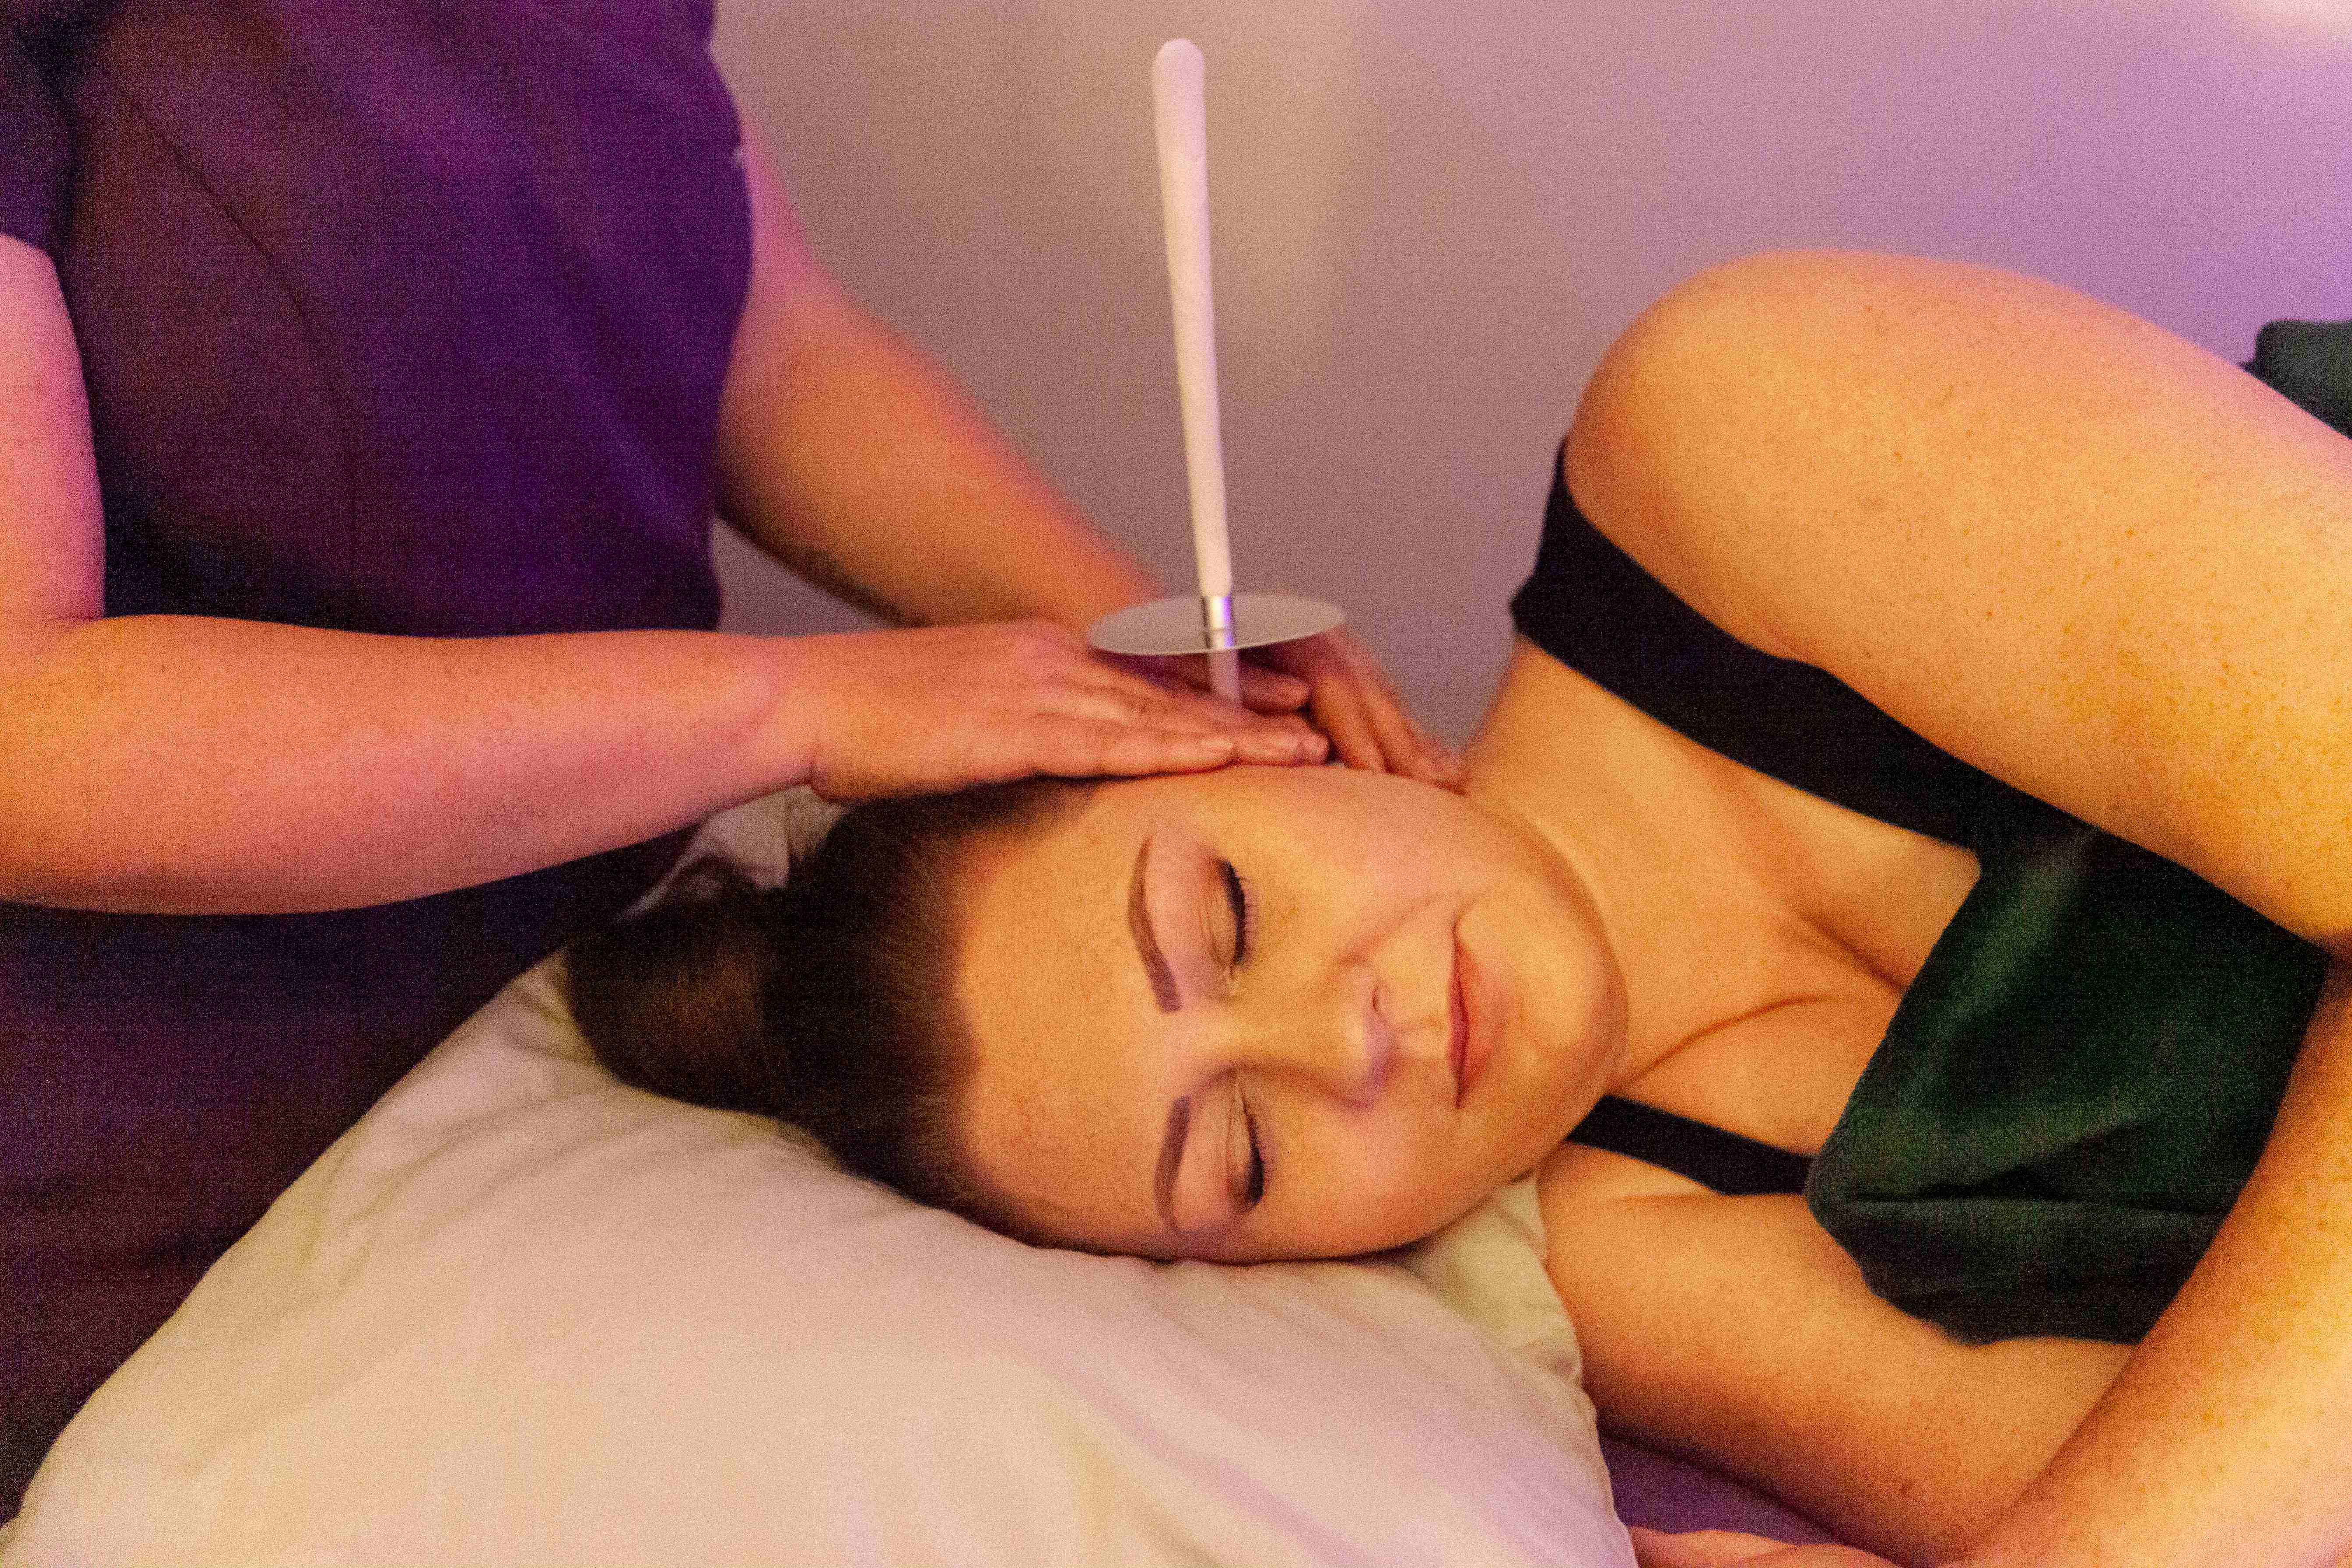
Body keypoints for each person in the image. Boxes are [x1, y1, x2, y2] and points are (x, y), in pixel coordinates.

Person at [570, 251, 2352, 1567]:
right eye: (1243, 1156)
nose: (1345, 1045)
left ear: (1248, 728)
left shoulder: (1714, 441)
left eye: (1230, 917)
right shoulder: (1614, 1262)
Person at [0, 0, 1455, 1506]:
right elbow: (24, 738)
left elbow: (766, 349)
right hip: (176, 1233)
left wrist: (1142, 652)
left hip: (584, 1041)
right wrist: (802, 705)